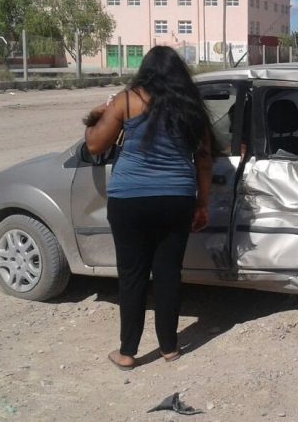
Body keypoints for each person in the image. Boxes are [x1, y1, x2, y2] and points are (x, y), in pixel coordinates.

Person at [83, 46, 216, 371]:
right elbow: (204, 162)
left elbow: (95, 145)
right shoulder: (192, 107)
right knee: (169, 274)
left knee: (132, 276)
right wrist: (202, 204)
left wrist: (96, 114)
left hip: (130, 200)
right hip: (177, 198)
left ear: (145, 71)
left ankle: (128, 352)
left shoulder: (127, 100)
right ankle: (169, 347)